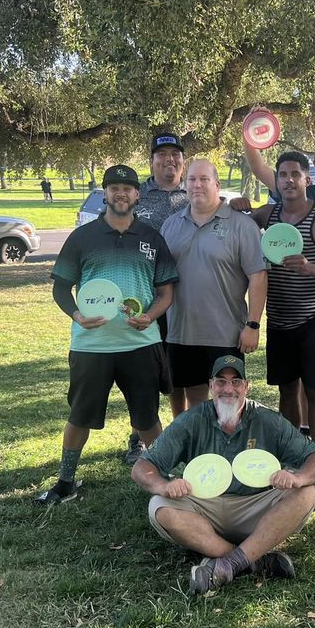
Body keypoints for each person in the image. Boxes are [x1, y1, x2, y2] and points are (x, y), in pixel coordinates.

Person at [35, 164, 178, 505]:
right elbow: (61, 288)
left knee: (147, 418)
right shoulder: (82, 237)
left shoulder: (151, 238)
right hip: (91, 345)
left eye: (127, 188)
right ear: (105, 194)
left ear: (137, 194)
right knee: (79, 416)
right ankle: (66, 482)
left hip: (140, 344)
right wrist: (77, 315)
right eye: (114, 188)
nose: (121, 193)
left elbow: (166, 292)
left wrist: (150, 316)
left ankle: (163, 481)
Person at [132, 355, 315, 595]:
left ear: (246, 387)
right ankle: (251, 559)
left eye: (236, 382)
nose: (228, 389)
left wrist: (298, 478)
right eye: (221, 382)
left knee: (306, 493)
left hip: (255, 507)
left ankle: (227, 564)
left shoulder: (268, 420)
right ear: (211, 386)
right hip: (204, 508)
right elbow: (142, 467)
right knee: (159, 506)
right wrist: (163, 486)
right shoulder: (191, 420)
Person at [245, 135, 315, 462]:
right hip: (279, 321)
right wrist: (237, 206)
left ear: (307, 179)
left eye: (295, 174)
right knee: (286, 391)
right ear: (277, 181)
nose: (289, 180)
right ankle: (292, 454)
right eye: (283, 175)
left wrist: (311, 268)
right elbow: (236, 226)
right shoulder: (267, 215)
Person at [161, 159, 267, 413]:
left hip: (226, 334)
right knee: (194, 402)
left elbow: (258, 276)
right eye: (192, 179)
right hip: (182, 331)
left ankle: (228, 440)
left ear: (217, 185)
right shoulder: (171, 225)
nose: (197, 185)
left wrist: (253, 325)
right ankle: (194, 439)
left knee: (228, 401)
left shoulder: (242, 225)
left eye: (204, 179)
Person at [119, 132, 191, 462]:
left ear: (183, 161)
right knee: (142, 370)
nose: (169, 159)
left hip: (186, 296)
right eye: (162, 154)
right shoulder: (137, 195)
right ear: (151, 161)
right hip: (144, 297)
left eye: (175, 154)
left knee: (179, 371)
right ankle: (139, 436)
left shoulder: (194, 193)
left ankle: (182, 431)